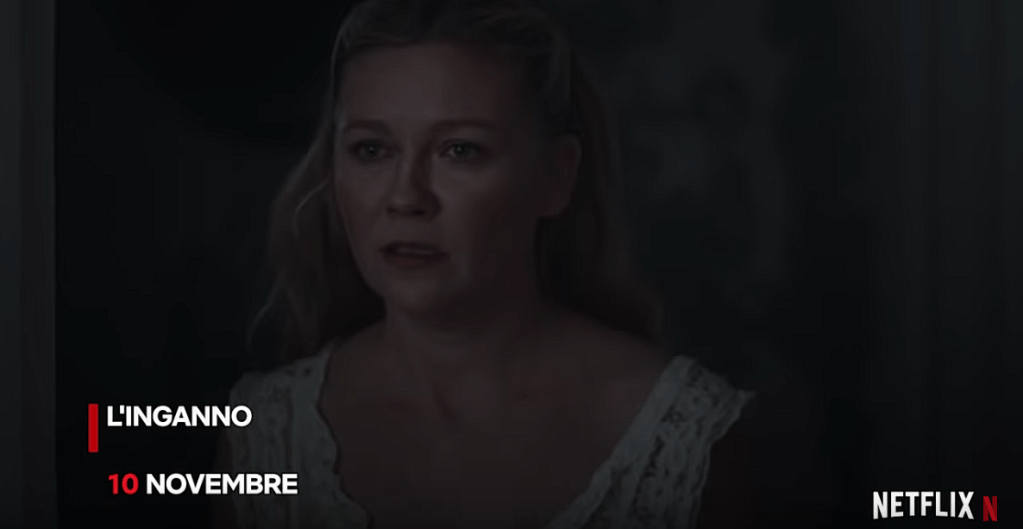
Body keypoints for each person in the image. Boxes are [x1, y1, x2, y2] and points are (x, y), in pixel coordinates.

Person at [214, 0, 757, 527]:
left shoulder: (683, 440)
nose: (406, 197)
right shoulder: (265, 436)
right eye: (372, 150)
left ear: (556, 176)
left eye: (460, 150)